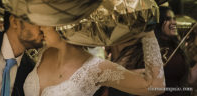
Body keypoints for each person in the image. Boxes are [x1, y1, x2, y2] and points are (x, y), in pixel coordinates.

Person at [23, 26, 166, 96]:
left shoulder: (96, 68)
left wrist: (148, 33)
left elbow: (155, 86)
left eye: (46, 22)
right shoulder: (44, 52)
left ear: (63, 25)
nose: (40, 27)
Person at [155, 6, 197, 96]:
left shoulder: (177, 47)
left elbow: (189, 79)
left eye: (174, 19)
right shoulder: (151, 47)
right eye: (168, 19)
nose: (174, 22)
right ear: (159, 22)